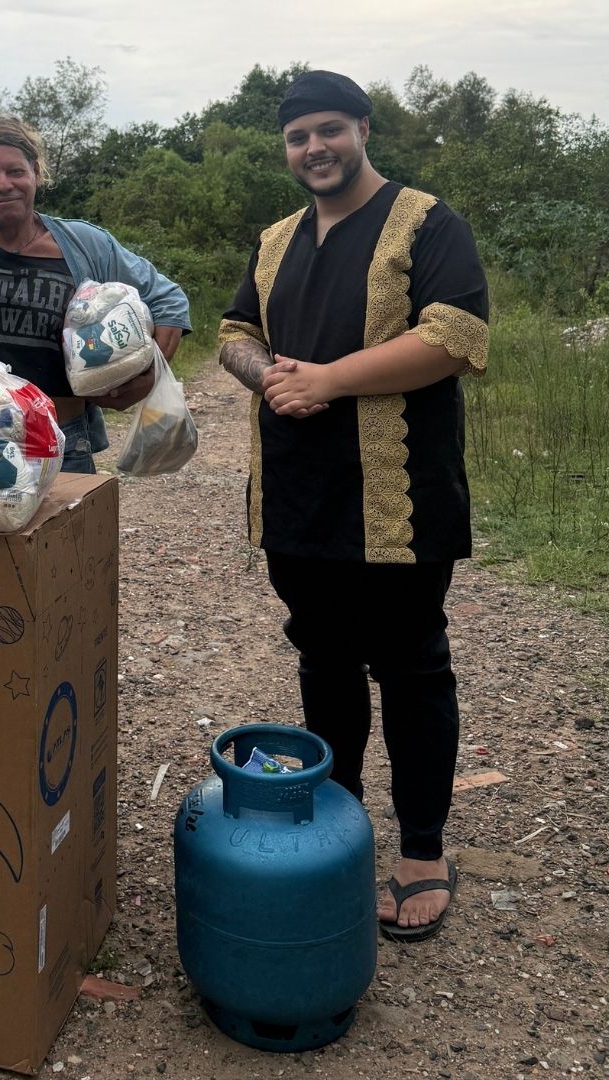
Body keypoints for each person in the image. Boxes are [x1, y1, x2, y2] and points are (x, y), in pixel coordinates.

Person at [215, 71, 490, 942]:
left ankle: (422, 851)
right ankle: (337, 833)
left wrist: (328, 379)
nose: (315, 149)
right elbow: (235, 333)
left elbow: (455, 337)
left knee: (411, 664)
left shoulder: (427, 222)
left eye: (329, 130)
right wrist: (272, 378)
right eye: (298, 137)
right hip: (297, 492)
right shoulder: (274, 240)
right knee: (323, 660)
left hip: (397, 494)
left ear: (364, 129)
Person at [0, 113, 191, 473]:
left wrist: (146, 375)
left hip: (63, 444)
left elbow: (168, 300)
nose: (4, 185)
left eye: (15, 171)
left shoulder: (85, 245)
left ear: (36, 172)